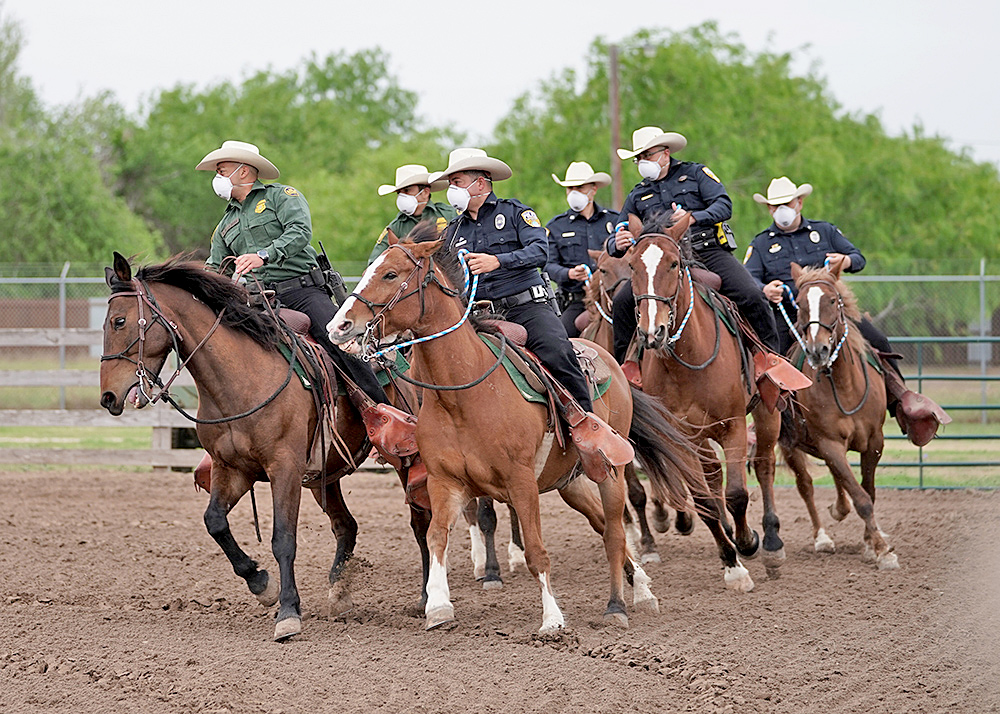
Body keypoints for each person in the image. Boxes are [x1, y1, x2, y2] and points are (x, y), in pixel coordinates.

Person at [430, 147, 632, 467]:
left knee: (559, 351)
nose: (452, 190)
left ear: (481, 184)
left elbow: (540, 251)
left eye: (457, 181)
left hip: (527, 307)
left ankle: (589, 429)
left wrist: (498, 260)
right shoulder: (451, 232)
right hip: (478, 314)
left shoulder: (514, 213)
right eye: (451, 183)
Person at [746, 176, 950, 445]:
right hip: (789, 315)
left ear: (799, 202)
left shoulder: (825, 231)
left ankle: (900, 402)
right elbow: (749, 278)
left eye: (786, 203)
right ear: (770, 210)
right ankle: (769, 421)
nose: (781, 209)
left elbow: (859, 259)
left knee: (878, 340)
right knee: (771, 359)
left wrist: (846, 259)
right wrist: (764, 289)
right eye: (775, 205)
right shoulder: (761, 244)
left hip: (832, 314)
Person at [196, 140, 389, 408]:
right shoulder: (224, 224)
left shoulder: (281, 196)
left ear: (243, 171)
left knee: (339, 341)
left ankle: (383, 412)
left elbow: (299, 232)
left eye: (221, 170)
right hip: (258, 301)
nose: (217, 178)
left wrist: (263, 255)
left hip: (303, 292)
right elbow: (214, 267)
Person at [605, 126, 780, 362]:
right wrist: (616, 243)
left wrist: (694, 216)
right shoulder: (637, 195)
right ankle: (627, 366)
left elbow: (723, 205)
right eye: (639, 158)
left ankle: (771, 360)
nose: (643, 162)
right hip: (661, 262)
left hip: (708, 251)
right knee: (622, 302)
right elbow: (619, 230)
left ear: (665, 153)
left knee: (752, 295)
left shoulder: (696, 174)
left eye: (647, 155)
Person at [545, 161, 618, 337]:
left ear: (593, 189)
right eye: (570, 188)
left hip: (613, 298)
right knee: (560, 340)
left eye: (579, 187)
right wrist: (569, 274)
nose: (574, 192)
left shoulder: (614, 221)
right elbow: (548, 265)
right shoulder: (556, 226)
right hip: (575, 301)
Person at [368, 164, 456, 264]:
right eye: (399, 193)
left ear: (425, 193)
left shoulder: (450, 215)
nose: (402, 197)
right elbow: (374, 262)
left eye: (407, 191)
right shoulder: (396, 227)